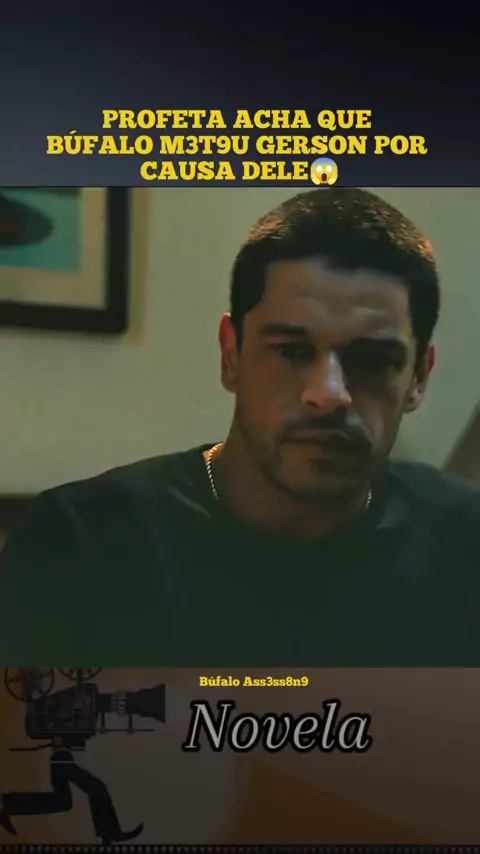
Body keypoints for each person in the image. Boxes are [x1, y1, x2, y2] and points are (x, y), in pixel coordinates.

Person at [1, 187, 479, 668]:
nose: (329, 393)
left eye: (372, 361)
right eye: (291, 351)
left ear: (419, 376)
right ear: (231, 355)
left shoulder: (463, 546)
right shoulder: (80, 545)